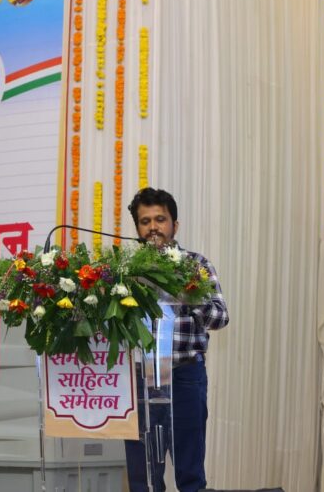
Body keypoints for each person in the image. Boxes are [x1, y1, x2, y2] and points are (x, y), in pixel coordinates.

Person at [124, 187, 229, 492]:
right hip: (139, 379)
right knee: (142, 479)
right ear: (138, 228)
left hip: (185, 376)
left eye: (160, 219)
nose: (153, 227)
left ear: (175, 225)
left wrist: (188, 292)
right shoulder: (127, 271)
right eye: (145, 221)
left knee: (190, 475)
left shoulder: (196, 265)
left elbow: (219, 318)